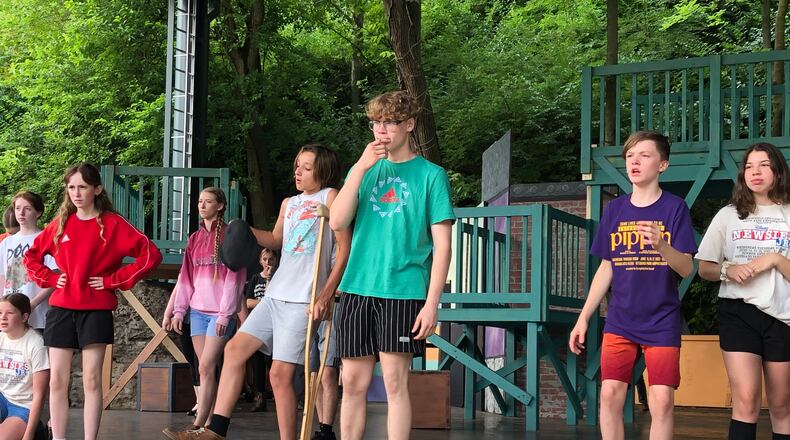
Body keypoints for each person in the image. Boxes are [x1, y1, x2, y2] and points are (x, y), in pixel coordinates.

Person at [162, 143, 351, 440]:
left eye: (306, 167)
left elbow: (344, 250)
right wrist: (243, 231)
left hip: (303, 298)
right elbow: (275, 239)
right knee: (235, 351)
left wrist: (327, 293)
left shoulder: (331, 197)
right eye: (297, 164)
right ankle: (216, 431)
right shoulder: (289, 203)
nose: (297, 171)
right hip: (275, 295)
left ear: (323, 170)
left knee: (279, 375)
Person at [329, 91, 454, 440]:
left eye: (390, 123)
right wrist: (358, 167)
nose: (381, 131)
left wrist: (433, 304)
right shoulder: (365, 170)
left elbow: (442, 246)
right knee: (352, 382)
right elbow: (337, 222)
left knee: (395, 383)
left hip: (404, 288)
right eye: (376, 123)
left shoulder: (431, 175)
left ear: (409, 125)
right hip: (357, 286)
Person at [568, 130, 697, 440]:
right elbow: (606, 267)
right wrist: (583, 317)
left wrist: (662, 246)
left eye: (644, 155)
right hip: (620, 320)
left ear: (662, 165)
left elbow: (686, 267)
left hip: (662, 320)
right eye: (629, 156)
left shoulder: (674, 208)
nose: (634, 161)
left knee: (662, 400)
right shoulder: (615, 209)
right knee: (610, 393)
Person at [23, 163, 162, 440]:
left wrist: (113, 281)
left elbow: (150, 255)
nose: (76, 193)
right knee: (58, 381)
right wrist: (51, 279)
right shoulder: (61, 223)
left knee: (91, 380)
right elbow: (31, 257)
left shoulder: (113, 223)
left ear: (97, 189)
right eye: (71, 187)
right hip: (62, 308)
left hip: (96, 309)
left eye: (82, 187)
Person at [696, 142, 790, 440]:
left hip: (783, 316)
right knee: (746, 400)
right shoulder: (728, 216)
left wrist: (774, 260)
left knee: (781, 404)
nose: (755, 172)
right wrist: (728, 270)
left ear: (778, 170)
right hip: (738, 313)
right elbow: (704, 268)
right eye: (749, 166)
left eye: (763, 165)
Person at [162, 187, 246, 431]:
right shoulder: (195, 239)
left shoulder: (231, 236)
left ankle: (198, 424)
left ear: (219, 206)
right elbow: (185, 278)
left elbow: (236, 280)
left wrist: (225, 313)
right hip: (197, 311)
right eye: (199, 201)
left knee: (207, 365)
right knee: (205, 369)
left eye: (208, 201)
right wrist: (178, 311)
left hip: (219, 314)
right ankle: (208, 426)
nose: (202, 205)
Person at [0, 191, 56, 332]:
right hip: (10, 315)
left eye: (27, 208)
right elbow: (2, 276)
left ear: (38, 213)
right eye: (18, 208)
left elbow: (56, 276)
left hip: (38, 314)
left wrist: (33, 303)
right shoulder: (7, 242)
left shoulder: (46, 239)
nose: (21, 213)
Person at [0, 293, 49, 440]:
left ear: (24, 317)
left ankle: (38, 430)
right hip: (2, 397)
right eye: (0, 312)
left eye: (9, 313)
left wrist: (28, 435)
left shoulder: (36, 344)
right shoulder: (1, 338)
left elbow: (39, 395)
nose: (3, 317)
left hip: (23, 405)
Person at [243, 248, 277, 412]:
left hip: (274, 325)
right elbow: (248, 302)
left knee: (273, 361)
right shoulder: (255, 278)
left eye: (270, 259)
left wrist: (270, 279)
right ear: (260, 261)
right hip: (257, 323)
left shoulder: (277, 279)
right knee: (257, 362)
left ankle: (278, 393)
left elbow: (275, 299)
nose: (267, 263)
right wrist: (265, 303)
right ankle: (260, 397)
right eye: (265, 259)